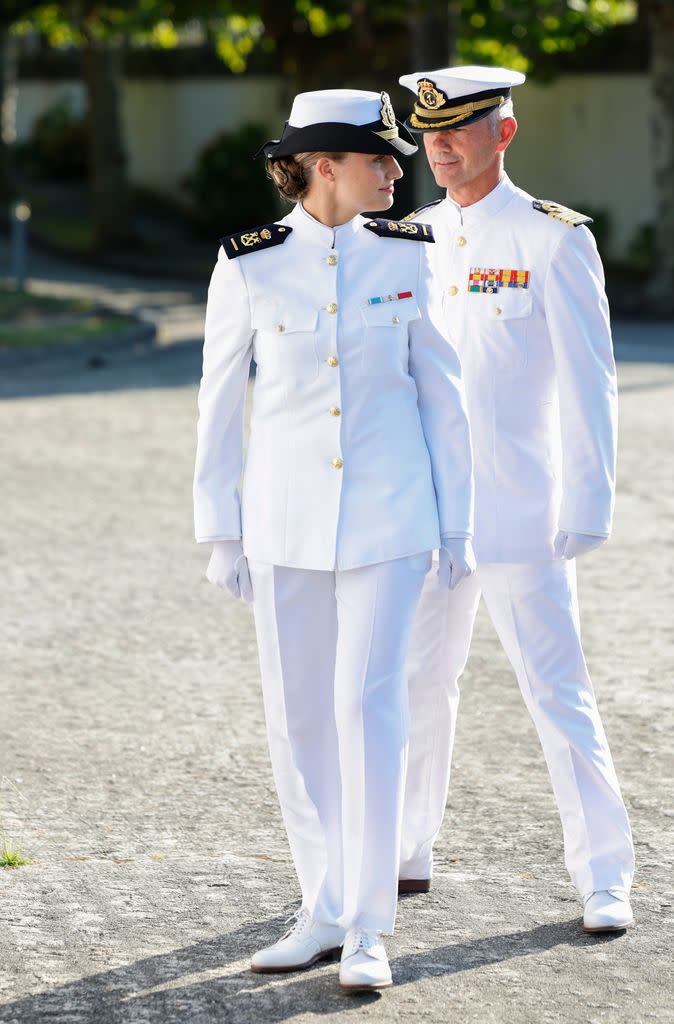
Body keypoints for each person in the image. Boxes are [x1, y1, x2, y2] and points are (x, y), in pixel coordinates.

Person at [193, 88, 475, 991]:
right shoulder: (249, 266)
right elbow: (217, 408)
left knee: (371, 711)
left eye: (396, 157)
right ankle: (319, 907)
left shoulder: (408, 255)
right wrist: (220, 530)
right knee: (300, 718)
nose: (400, 168)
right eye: (378, 157)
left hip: (393, 521)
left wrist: (458, 523)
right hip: (283, 526)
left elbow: (445, 396)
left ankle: (367, 927)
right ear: (322, 166)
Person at [396, 66, 635, 932]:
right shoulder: (409, 235)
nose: (441, 143)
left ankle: (605, 874)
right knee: (418, 682)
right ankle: (403, 851)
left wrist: (587, 499)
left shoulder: (550, 238)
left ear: (504, 131)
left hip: (520, 509)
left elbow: (590, 379)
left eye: (460, 127)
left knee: (557, 691)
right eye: (429, 129)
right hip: (426, 515)